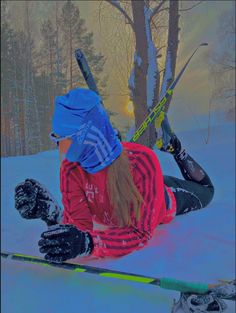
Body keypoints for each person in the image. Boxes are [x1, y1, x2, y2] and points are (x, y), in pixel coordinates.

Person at [15, 88, 214, 263]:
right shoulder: (71, 169)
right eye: (56, 139)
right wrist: (56, 223)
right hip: (134, 186)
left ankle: (177, 149)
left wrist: (90, 243)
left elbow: (140, 233)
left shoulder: (143, 162)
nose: (59, 147)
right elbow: (81, 227)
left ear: (86, 136)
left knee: (207, 192)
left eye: (65, 139)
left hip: (165, 196)